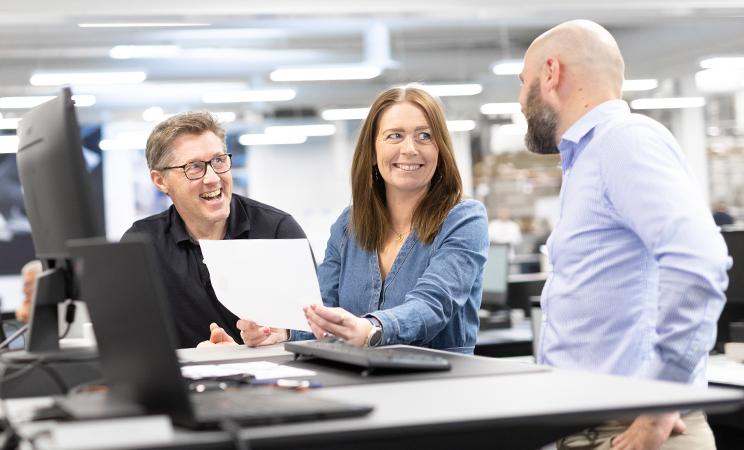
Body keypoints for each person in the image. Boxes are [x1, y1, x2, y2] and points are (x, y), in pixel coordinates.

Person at [518, 20, 729, 450]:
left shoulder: (624, 142)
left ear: (551, 73)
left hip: (629, 432)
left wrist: (658, 405)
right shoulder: (588, 158)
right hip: (592, 427)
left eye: (524, 84)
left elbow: (699, 263)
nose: (520, 102)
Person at [210, 85, 488, 352]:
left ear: (440, 150)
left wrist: (369, 330)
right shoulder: (349, 225)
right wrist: (279, 332)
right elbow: (322, 310)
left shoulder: (463, 219)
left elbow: (432, 306)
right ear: (371, 151)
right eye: (394, 136)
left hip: (439, 385)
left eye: (424, 136)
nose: (410, 149)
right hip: (359, 382)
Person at [123, 110, 307, 349]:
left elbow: (317, 328)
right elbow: (130, 341)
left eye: (219, 161)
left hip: (268, 378)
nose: (212, 178)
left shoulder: (277, 230)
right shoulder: (141, 243)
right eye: (195, 167)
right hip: (181, 382)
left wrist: (280, 334)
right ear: (160, 181)